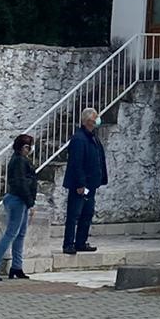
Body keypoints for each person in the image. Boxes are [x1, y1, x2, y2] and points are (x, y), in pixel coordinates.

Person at [0, 134, 37, 281]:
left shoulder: (20, 160)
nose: (30, 149)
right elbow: (21, 183)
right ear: (22, 147)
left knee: (20, 234)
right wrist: (30, 202)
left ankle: (17, 267)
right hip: (18, 199)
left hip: (21, 199)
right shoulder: (19, 161)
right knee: (11, 234)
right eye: (28, 147)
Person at [62, 107, 108, 254]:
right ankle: (68, 244)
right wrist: (80, 183)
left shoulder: (92, 137)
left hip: (91, 184)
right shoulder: (79, 139)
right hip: (81, 184)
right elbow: (76, 163)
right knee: (74, 214)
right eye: (95, 118)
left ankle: (80, 242)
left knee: (87, 213)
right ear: (88, 121)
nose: (97, 121)